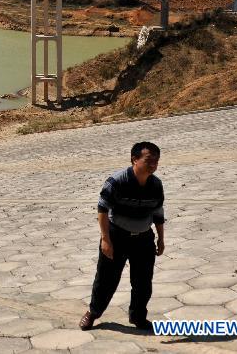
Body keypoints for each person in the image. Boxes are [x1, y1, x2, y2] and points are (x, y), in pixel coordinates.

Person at [80, 141, 165, 331]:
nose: (153, 165)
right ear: (134, 159)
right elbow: (102, 209)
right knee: (106, 279)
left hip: (144, 239)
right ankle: (93, 312)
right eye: (149, 160)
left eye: (156, 161)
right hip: (117, 236)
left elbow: (158, 213)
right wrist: (105, 239)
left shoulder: (156, 184)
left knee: (143, 282)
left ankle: (138, 317)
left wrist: (161, 238)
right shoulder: (117, 181)